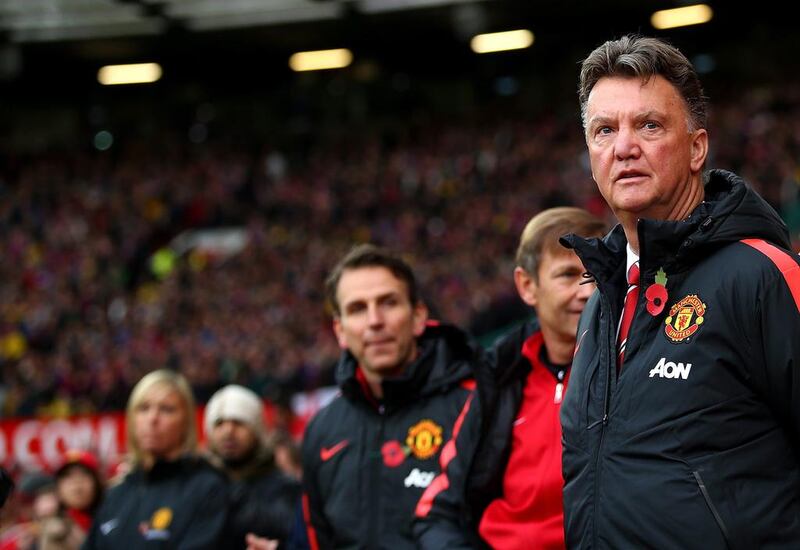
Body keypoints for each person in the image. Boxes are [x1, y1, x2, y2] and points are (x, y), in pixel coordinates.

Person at [559, 35, 800, 548]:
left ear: (696, 149)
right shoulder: (599, 304)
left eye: (649, 125)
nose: (624, 147)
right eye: (605, 130)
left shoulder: (761, 276)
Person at [413, 207, 606, 549]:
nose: (586, 291)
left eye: (595, 274)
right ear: (527, 286)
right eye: (567, 275)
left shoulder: (633, 369)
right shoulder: (499, 379)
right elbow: (437, 509)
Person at [301, 244, 478, 549]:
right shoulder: (321, 430)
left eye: (388, 303)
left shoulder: (474, 405)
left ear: (418, 315)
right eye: (357, 309)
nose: (374, 321)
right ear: (340, 331)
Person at [83, 369, 228, 549]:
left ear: (186, 421)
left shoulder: (206, 489)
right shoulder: (116, 494)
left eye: (166, 409)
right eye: (143, 408)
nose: (152, 418)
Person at [204, 384, 300, 547]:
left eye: (239, 423)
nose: (228, 431)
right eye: (219, 423)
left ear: (257, 431)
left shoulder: (284, 486)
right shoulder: (198, 481)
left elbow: (286, 528)